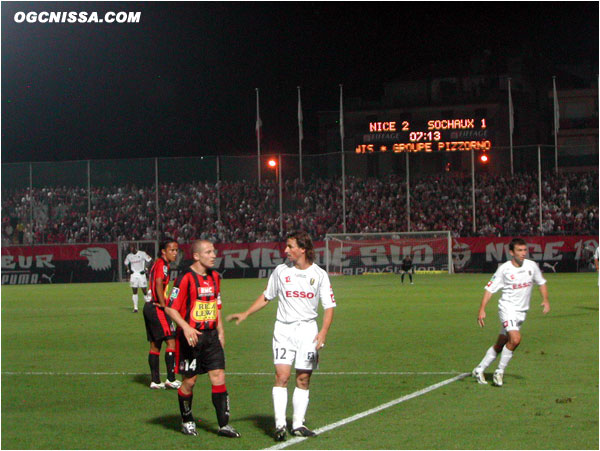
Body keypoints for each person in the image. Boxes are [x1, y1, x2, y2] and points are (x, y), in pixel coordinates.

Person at [226, 230, 336, 441]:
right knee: (282, 376)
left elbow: (329, 306)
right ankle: (279, 425)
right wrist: (246, 313)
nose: (286, 250)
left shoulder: (319, 275)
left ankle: (297, 424)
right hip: (284, 330)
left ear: (303, 249)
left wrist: (323, 332)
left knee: (303, 379)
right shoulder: (280, 271)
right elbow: (267, 296)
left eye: (290, 246)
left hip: (308, 332)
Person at [165, 240, 240, 438]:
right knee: (189, 382)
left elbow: (217, 305)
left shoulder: (215, 277)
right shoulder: (185, 279)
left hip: (212, 337)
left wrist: (221, 331)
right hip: (192, 338)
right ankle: (187, 420)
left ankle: (224, 425)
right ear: (197, 256)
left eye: (214, 251)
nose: (213, 255)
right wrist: (186, 327)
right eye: (208, 252)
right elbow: (170, 307)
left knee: (219, 377)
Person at [472, 237, 550, 387]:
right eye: (519, 250)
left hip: (522, 312)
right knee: (515, 339)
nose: (523, 253)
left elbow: (542, 282)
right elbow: (489, 289)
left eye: (525, 250)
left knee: (501, 343)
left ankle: (479, 369)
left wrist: (545, 300)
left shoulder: (531, 266)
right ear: (511, 252)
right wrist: (482, 309)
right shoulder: (504, 269)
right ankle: (499, 372)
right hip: (507, 309)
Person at [144, 239, 181, 390]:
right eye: (172, 250)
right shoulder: (162, 264)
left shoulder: (160, 264)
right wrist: (164, 305)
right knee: (171, 341)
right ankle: (171, 379)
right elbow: (159, 282)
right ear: (163, 252)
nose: (175, 253)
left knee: (155, 345)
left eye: (176, 250)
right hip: (157, 307)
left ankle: (155, 381)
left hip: (149, 307)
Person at [124, 243, 152, 313]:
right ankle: (135, 308)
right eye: (130, 248)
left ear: (135, 247)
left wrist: (145, 269)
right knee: (134, 291)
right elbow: (126, 263)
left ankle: (148, 306)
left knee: (144, 291)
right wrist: (128, 270)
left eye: (131, 247)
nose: (130, 249)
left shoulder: (142, 253)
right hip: (134, 275)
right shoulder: (129, 256)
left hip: (141, 274)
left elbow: (149, 260)